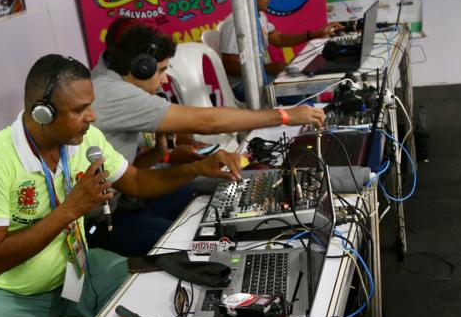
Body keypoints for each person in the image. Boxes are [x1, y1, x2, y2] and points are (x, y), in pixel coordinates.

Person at [0, 55, 243, 317]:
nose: (92, 117)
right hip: (12, 292)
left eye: (90, 105)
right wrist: (69, 209)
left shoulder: (85, 140)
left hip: (78, 271)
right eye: (79, 109)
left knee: (160, 284)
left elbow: (139, 183)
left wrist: (195, 169)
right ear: (42, 113)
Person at [89, 19, 325, 255]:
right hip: (103, 223)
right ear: (141, 67)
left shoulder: (109, 84)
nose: (164, 80)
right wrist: (284, 116)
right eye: (161, 71)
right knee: (196, 247)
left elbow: (128, 174)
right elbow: (207, 122)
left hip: (124, 202)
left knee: (205, 194)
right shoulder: (112, 92)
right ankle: (232, 253)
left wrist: (163, 156)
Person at [218, 0, 342, 101]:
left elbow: (279, 39)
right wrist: (268, 68)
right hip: (243, 85)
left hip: (263, 76)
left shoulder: (259, 16)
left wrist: (313, 35)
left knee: (307, 86)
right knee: (295, 93)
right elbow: (229, 66)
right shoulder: (235, 23)